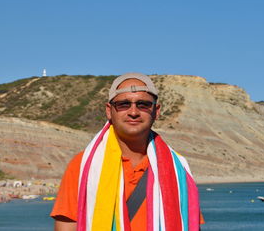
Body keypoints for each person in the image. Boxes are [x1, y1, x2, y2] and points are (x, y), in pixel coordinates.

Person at [51, 73, 204, 231]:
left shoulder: (178, 169)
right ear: (109, 111)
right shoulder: (83, 166)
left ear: (156, 111)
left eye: (143, 104)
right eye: (123, 104)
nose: (133, 112)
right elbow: (67, 225)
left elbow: (190, 223)